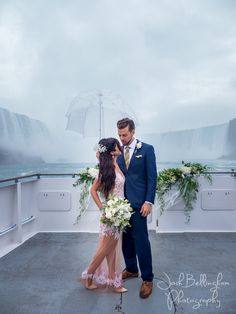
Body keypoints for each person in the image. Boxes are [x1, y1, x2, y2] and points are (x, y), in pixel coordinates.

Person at [80, 137, 127, 293]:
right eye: (116, 147)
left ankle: (115, 282)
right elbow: (93, 190)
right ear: (111, 151)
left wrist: (114, 159)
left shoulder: (114, 165)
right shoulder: (104, 171)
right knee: (105, 250)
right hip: (110, 215)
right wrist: (103, 208)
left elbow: (121, 184)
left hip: (120, 214)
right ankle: (88, 275)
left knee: (112, 251)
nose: (119, 148)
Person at [117, 118, 157, 299]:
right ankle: (132, 269)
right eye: (119, 135)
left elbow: (152, 178)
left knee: (142, 242)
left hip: (140, 205)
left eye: (124, 135)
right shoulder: (117, 154)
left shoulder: (147, 150)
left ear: (133, 132)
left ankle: (147, 278)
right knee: (126, 241)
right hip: (121, 206)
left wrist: (148, 201)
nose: (122, 138)